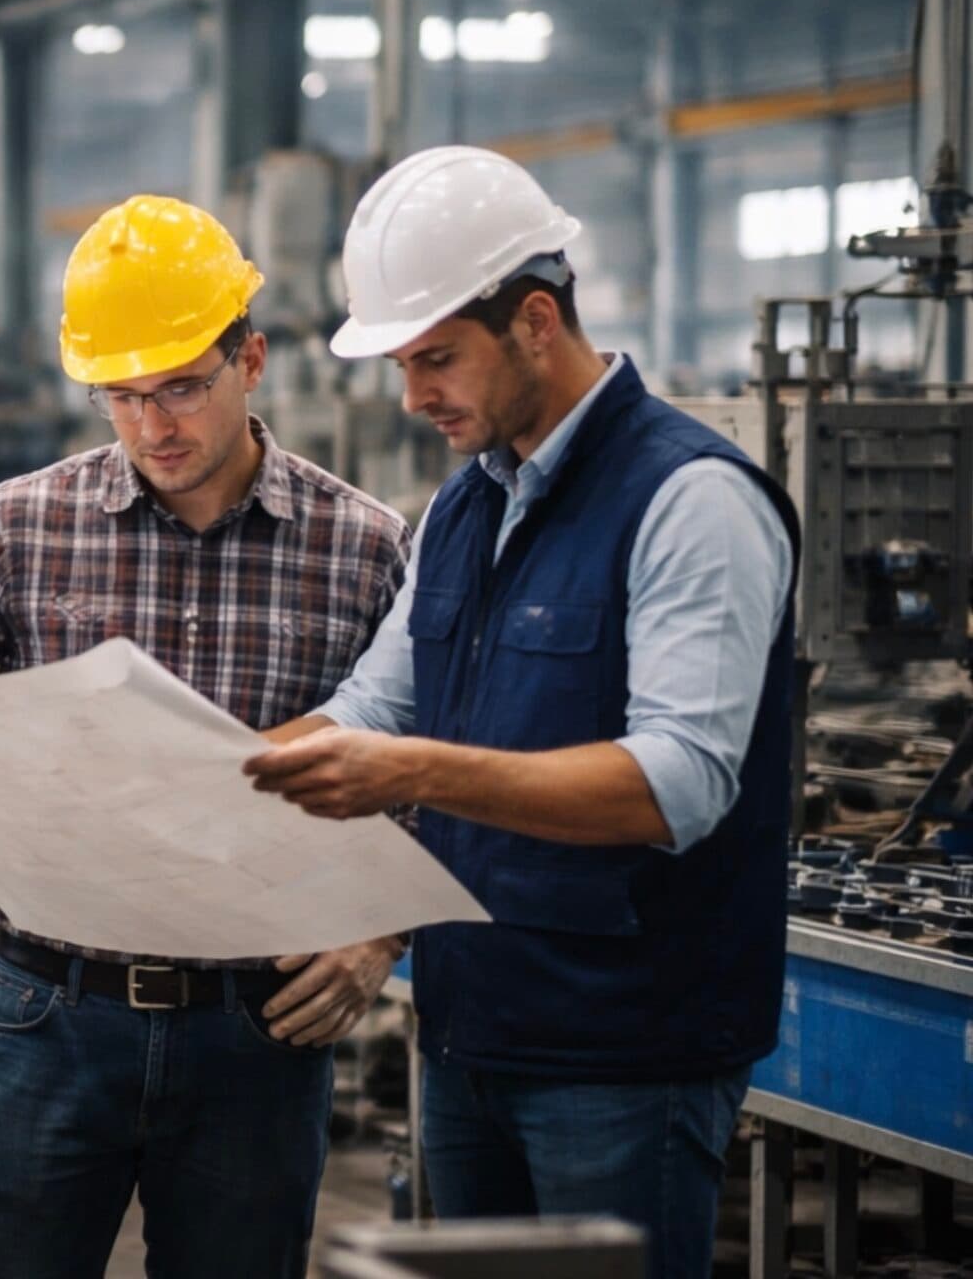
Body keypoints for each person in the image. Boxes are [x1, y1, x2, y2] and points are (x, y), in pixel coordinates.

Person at [0, 196, 412, 1279]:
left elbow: (424, 767)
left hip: (255, 1030)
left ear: (249, 360)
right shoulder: (22, 525)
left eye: (180, 389)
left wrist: (376, 936)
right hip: (51, 1014)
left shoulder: (361, 548)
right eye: (121, 396)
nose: (154, 426)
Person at [244, 145, 798, 1279]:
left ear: (536, 320)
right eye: (402, 362)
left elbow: (676, 783)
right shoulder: (462, 507)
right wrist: (192, 765)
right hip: (465, 1031)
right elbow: (372, 703)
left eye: (437, 358)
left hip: (623, 1053)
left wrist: (413, 774)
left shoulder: (689, 501)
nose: (412, 397)